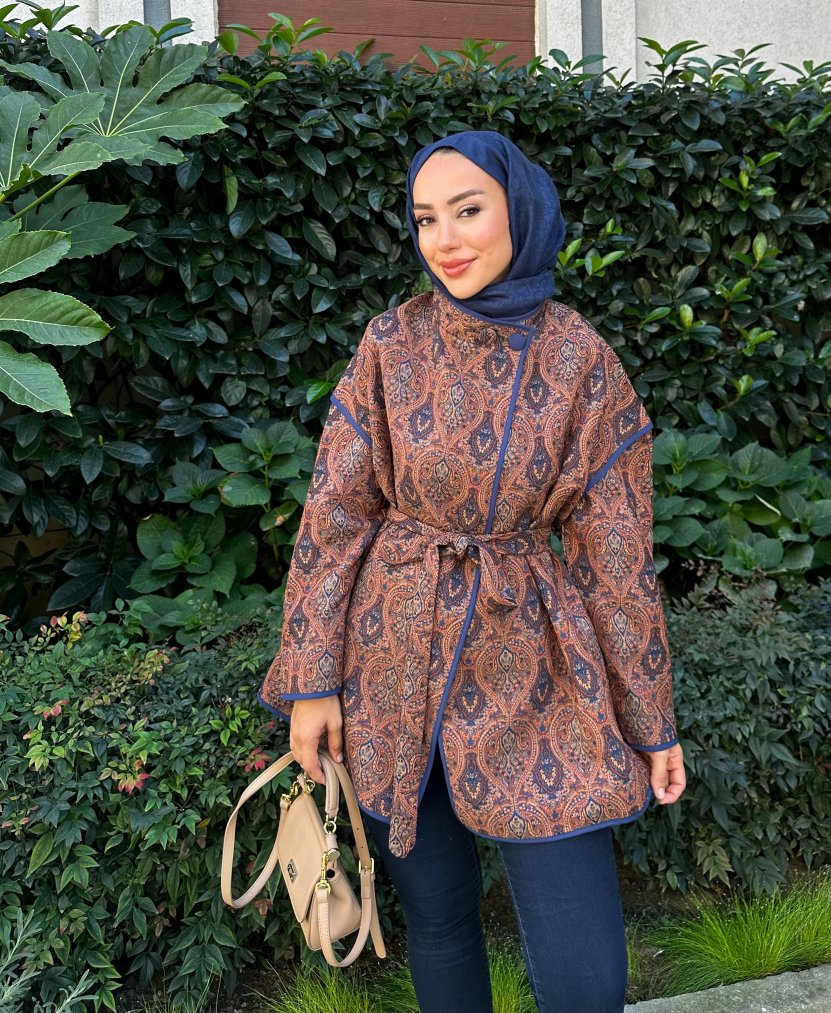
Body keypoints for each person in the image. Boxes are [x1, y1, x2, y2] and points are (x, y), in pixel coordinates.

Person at [259, 131, 686, 1013]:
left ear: (519, 211)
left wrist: (652, 723)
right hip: (393, 659)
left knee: (588, 978)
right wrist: (312, 682)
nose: (444, 240)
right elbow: (334, 517)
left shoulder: (580, 361)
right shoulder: (391, 343)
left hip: (534, 665)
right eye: (426, 219)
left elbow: (616, 560)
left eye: (467, 210)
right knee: (441, 920)